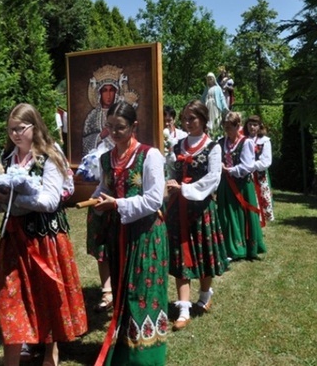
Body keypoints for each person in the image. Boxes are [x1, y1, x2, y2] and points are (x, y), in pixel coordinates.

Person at [0, 103, 87, 366]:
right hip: (14, 240)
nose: (15, 134)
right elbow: (2, 205)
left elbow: (50, 201)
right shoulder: (7, 158)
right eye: (11, 129)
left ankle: (51, 354)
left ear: (35, 126)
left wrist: (15, 196)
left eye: (20, 128)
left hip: (45, 239)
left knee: (48, 297)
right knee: (10, 301)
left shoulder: (50, 157)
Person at [90, 101, 169, 365]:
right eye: (110, 127)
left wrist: (117, 204)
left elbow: (154, 200)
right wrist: (94, 201)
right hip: (118, 235)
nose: (114, 132)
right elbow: (103, 187)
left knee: (143, 294)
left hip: (146, 236)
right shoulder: (105, 158)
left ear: (134, 126)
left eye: (120, 128)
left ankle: (146, 358)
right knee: (124, 291)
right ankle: (124, 352)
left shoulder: (150, 156)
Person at [165, 100, 229, 331]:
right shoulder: (176, 145)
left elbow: (213, 179)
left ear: (203, 119)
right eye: (185, 118)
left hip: (201, 209)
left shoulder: (213, 147)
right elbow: (170, 171)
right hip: (178, 209)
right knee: (181, 255)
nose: (188, 122)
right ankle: (183, 308)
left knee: (203, 255)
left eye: (192, 118)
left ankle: (204, 295)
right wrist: (170, 183)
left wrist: (186, 189)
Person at [217, 111, 267, 261]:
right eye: (225, 127)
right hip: (225, 184)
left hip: (241, 185)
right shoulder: (221, 142)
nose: (227, 130)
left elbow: (247, 166)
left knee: (241, 214)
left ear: (238, 126)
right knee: (226, 214)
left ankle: (244, 247)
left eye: (229, 127)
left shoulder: (246, 143)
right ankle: (230, 247)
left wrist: (230, 170)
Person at [245, 114, 274, 225]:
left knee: (261, 197)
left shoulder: (264, 141)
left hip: (259, 175)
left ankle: (259, 222)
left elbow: (266, 161)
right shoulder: (244, 139)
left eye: (255, 125)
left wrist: (251, 165)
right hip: (246, 175)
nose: (252, 127)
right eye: (250, 124)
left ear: (259, 126)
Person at [162, 105, 187, 179]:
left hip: (177, 174)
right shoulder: (157, 136)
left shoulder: (183, 136)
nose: (166, 124)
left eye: (169, 121)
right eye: (164, 121)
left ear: (174, 120)